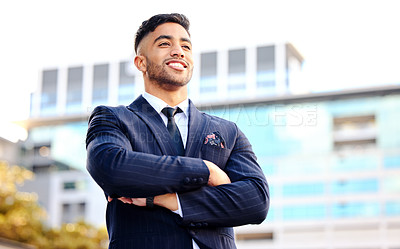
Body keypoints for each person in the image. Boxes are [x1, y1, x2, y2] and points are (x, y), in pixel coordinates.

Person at [86, 13, 269, 249]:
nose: (178, 51)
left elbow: (255, 200)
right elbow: (111, 167)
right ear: (141, 62)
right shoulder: (113, 118)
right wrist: (207, 171)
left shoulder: (228, 131)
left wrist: (168, 200)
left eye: (186, 46)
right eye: (164, 43)